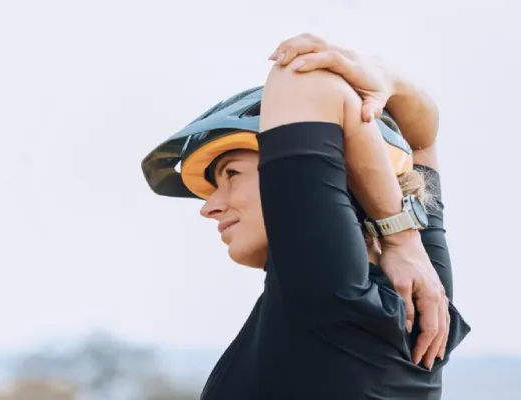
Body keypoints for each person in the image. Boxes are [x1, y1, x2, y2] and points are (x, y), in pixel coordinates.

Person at [141, 34, 470, 399]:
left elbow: (302, 76)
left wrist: (400, 236)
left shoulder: (326, 289)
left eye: (231, 173)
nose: (209, 207)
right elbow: (422, 140)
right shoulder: (424, 296)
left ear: (334, 170)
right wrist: (384, 78)